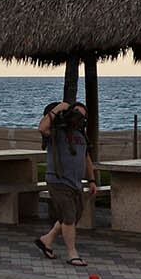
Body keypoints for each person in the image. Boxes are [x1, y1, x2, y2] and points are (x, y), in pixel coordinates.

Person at [37, 99, 95, 266]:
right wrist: (58, 108)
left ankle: (46, 240)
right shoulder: (56, 133)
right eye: (77, 114)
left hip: (76, 183)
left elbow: (86, 157)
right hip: (58, 181)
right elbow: (42, 128)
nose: (80, 119)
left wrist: (91, 180)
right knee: (69, 216)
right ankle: (72, 253)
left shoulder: (81, 135)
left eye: (83, 116)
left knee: (73, 216)